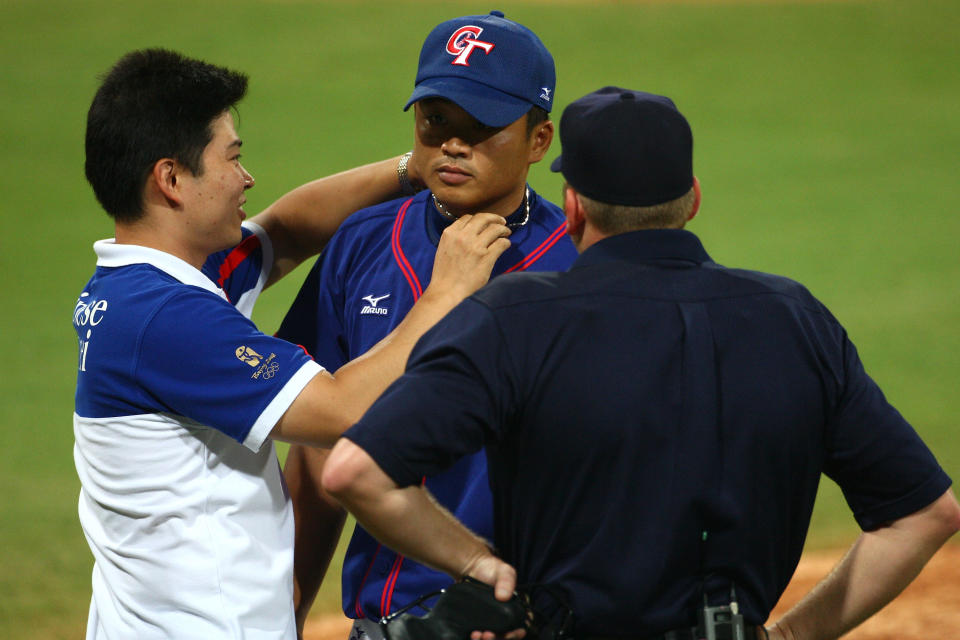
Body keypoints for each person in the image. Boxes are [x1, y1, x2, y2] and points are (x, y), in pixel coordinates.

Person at [321, 86, 960, 640]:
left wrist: (481, 566)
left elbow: (357, 473)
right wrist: (790, 632)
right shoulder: (795, 318)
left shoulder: (513, 318)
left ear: (572, 206)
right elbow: (927, 514)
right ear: (694, 199)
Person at [73, 48, 511, 640]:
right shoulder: (166, 319)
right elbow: (341, 411)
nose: (245, 178)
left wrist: (418, 165)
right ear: (171, 179)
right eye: (232, 157)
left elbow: (286, 229)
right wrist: (447, 291)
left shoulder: (146, 282)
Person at [274, 11, 577, 638]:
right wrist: (289, 612)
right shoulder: (362, 242)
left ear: (539, 140)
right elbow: (316, 452)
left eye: (483, 125)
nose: (453, 145)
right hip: (390, 621)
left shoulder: (577, 261)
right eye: (436, 120)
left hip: (534, 617)